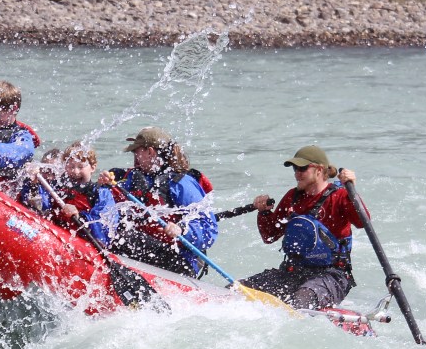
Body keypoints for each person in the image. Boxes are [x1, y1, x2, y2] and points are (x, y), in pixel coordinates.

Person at [239, 145, 369, 310]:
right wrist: (264, 213)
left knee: (303, 298)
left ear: (319, 170)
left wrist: (353, 191)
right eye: (295, 169)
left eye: (302, 168)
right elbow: (270, 236)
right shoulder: (292, 197)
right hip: (292, 273)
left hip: (332, 275)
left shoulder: (340, 196)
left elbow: (363, 221)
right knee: (239, 288)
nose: (297, 174)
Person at [98, 127, 218, 278]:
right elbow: (109, 207)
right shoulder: (131, 177)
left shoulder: (181, 183)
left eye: (137, 151)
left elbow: (209, 229)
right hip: (145, 248)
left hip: (179, 259)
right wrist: (104, 186)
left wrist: (182, 230)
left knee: (122, 237)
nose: (134, 156)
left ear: (150, 152)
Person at [32, 142, 119, 247]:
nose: (75, 171)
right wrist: (33, 184)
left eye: (80, 166)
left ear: (93, 167)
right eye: (71, 166)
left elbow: (104, 232)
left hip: (82, 245)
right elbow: (42, 205)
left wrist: (79, 216)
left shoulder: (100, 193)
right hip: (55, 238)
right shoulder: (56, 188)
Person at [18, 148, 63, 215]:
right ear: (40, 168)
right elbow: (33, 203)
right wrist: (33, 183)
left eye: (54, 173)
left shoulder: (62, 188)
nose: (49, 176)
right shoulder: (32, 181)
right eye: (45, 170)